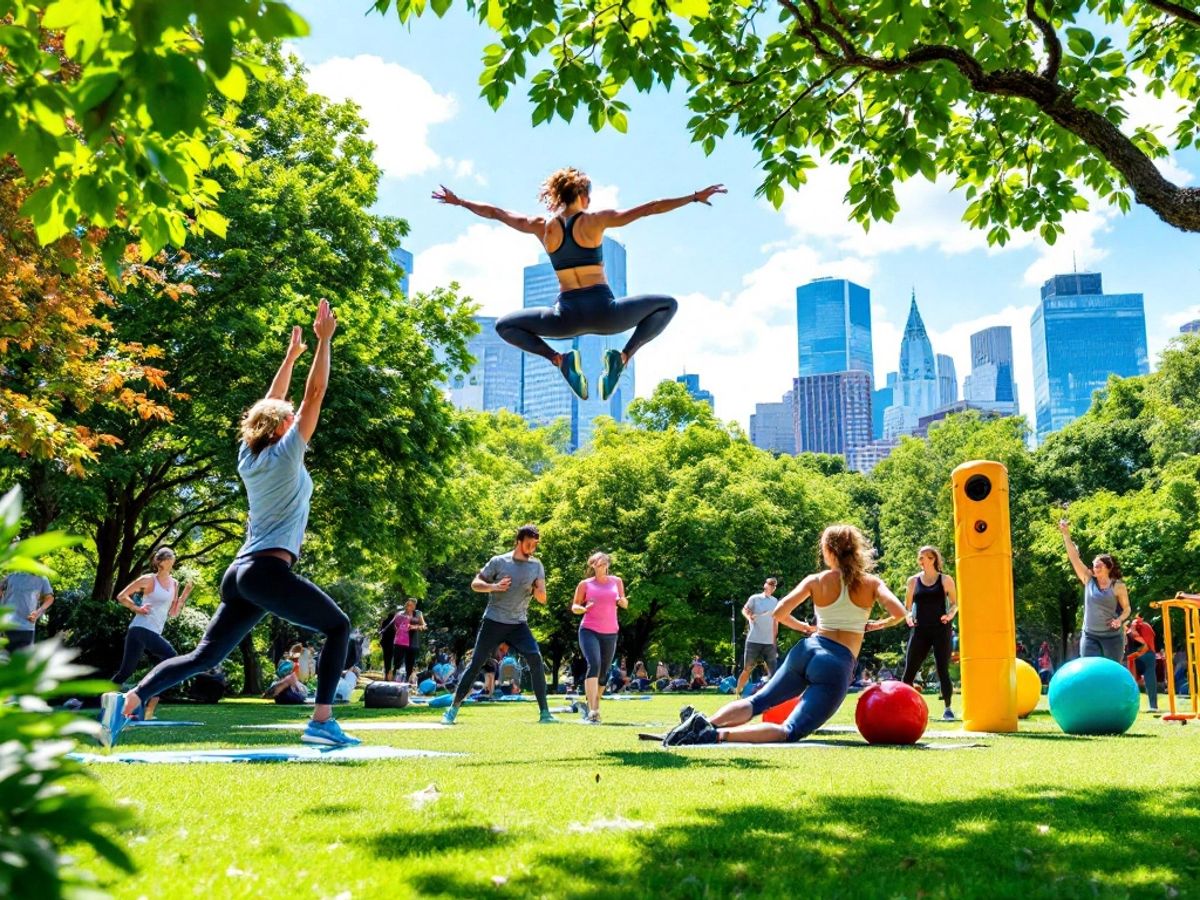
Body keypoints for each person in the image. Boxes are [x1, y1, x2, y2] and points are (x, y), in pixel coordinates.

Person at [98, 300, 359, 748]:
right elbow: (314, 395)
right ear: (282, 427)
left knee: (203, 656)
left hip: (240, 575)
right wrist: (323, 342)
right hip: (266, 571)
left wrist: (289, 359)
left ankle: (126, 701)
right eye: (288, 416)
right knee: (338, 626)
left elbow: (269, 407)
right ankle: (321, 721)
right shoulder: (287, 452)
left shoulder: (248, 456)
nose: (294, 414)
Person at [433, 171, 725, 401]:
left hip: (566, 319)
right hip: (606, 314)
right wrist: (693, 197)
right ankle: (622, 358)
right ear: (583, 195)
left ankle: (559, 360)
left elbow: (497, 213)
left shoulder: (542, 226)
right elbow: (650, 208)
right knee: (668, 305)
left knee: (504, 325)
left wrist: (461, 202)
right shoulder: (595, 221)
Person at [663, 525, 906, 746]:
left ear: (828, 551)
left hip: (807, 650)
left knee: (758, 701)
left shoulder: (815, 580)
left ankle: (705, 723)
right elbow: (899, 613)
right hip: (836, 663)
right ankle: (715, 735)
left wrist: (806, 628)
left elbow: (779, 613)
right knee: (790, 730)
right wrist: (876, 625)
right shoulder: (871, 583)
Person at [442, 525, 557, 724]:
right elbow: (475, 584)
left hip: (518, 624)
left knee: (535, 658)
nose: (532, 548)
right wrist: (494, 586)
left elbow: (542, 598)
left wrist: (535, 589)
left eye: (535, 544)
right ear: (519, 541)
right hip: (494, 621)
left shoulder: (536, 565)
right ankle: (452, 710)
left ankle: (545, 713)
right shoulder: (499, 561)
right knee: (476, 663)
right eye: (529, 543)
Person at [111, 547, 194, 721]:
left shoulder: (174, 584)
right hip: (140, 628)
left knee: (125, 672)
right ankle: (144, 701)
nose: (174, 558)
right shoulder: (148, 579)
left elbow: (173, 613)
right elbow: (121, 596)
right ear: (163, 561)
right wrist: (137, 608)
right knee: (170, 657)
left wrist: (184, 596)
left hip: (152, 631)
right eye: (171, 556)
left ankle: (101, 702)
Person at [899, 546, 959, 721]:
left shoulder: (945, 580)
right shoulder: (913, 581)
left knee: (942, 669)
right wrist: (908, 617)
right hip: (920, 630)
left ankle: (948, 708)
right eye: (920, 557)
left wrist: (950, 615)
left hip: (941, 629)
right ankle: (902, 707)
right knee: (909, 670)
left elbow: (955, 604)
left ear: (933, 559)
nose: (921, 560)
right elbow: (907, 607)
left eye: (924, 557)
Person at [1058, 520, 1130, 662]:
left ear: (1108, 567)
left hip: (1112, 636)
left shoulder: (1118, 586)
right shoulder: (1088, 579)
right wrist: (1066, 535)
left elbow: (1127, 609)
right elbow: (1074, 558)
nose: (1095, 568)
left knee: (1111, 670)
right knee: (1089, 667)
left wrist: (1119, 620)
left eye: (1098, 565)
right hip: (1090, 635)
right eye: (1094, 565)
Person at [571, 551, 628, 723]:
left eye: (604, 563)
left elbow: (624, 601)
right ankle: (593, 710)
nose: (602, 566)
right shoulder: (585, 584)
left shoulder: (616, 581)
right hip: (589, 630)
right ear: (592, 565)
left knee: (603, 673)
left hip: (610, 632)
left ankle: (594, 704)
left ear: (608, 565)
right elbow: (575, 606)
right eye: (598, 563)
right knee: (594, 664)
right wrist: (582, 609)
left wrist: (623, 602)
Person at [736, 577, 781, 696]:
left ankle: (773, 696)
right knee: (747, 669)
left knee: (773, 672)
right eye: (770, 584)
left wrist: (774, 639)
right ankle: (737, 693)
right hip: (753, 640)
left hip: (769, 642)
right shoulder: (755, 598)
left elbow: (776, 620)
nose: (772, 586)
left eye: (774, 585)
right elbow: (745, 610)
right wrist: (749, 617)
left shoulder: (775, 601)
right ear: (765, 585)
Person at [0, 567, 54, 652]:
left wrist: (38, 612)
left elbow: (49, 598)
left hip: (27, 627)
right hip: (7, 626)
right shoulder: (11, 576)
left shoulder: (42, 578)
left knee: (23, 658)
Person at [1126, 613, 1159, 712]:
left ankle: (1132, 706)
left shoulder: (1132, 626)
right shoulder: (1146, 626)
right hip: (1149, 654)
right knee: (1150, 680)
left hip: (1137, 655)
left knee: (1131, 680)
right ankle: (1153, 706)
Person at [391, 599, 427, 686]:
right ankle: (393, 683)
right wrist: (400, 630)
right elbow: (395, 626)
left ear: (415, 606)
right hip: (400, 642)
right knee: (397, 663)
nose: (409, 607)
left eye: (412, 605)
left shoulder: (418, 613)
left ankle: (406, 684)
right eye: (408, 604)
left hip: (413, 642)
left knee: (409, 665)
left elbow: (424, 626)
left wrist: (414, 627)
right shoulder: (400, 613)